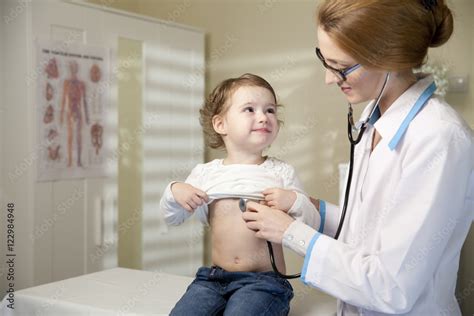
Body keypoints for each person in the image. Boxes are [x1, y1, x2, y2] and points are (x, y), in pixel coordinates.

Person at [242, 0, 474, 315]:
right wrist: (306, 208)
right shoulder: (373, 120)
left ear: (388, 57)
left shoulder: (439, 138)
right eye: (324, 60)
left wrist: (290, 233)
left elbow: (392, 287)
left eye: (340, 66)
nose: (328, 78)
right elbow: (368, 233)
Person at [159, 73, 319, 315]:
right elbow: (172, 217)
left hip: (263, 283)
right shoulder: (206, 174)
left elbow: (311, 225)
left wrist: (294, 200)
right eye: (250, 109)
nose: (263, 117)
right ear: (220, 124)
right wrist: (174, 191)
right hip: (212, 280)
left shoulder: (280, 172)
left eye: (270, 110)